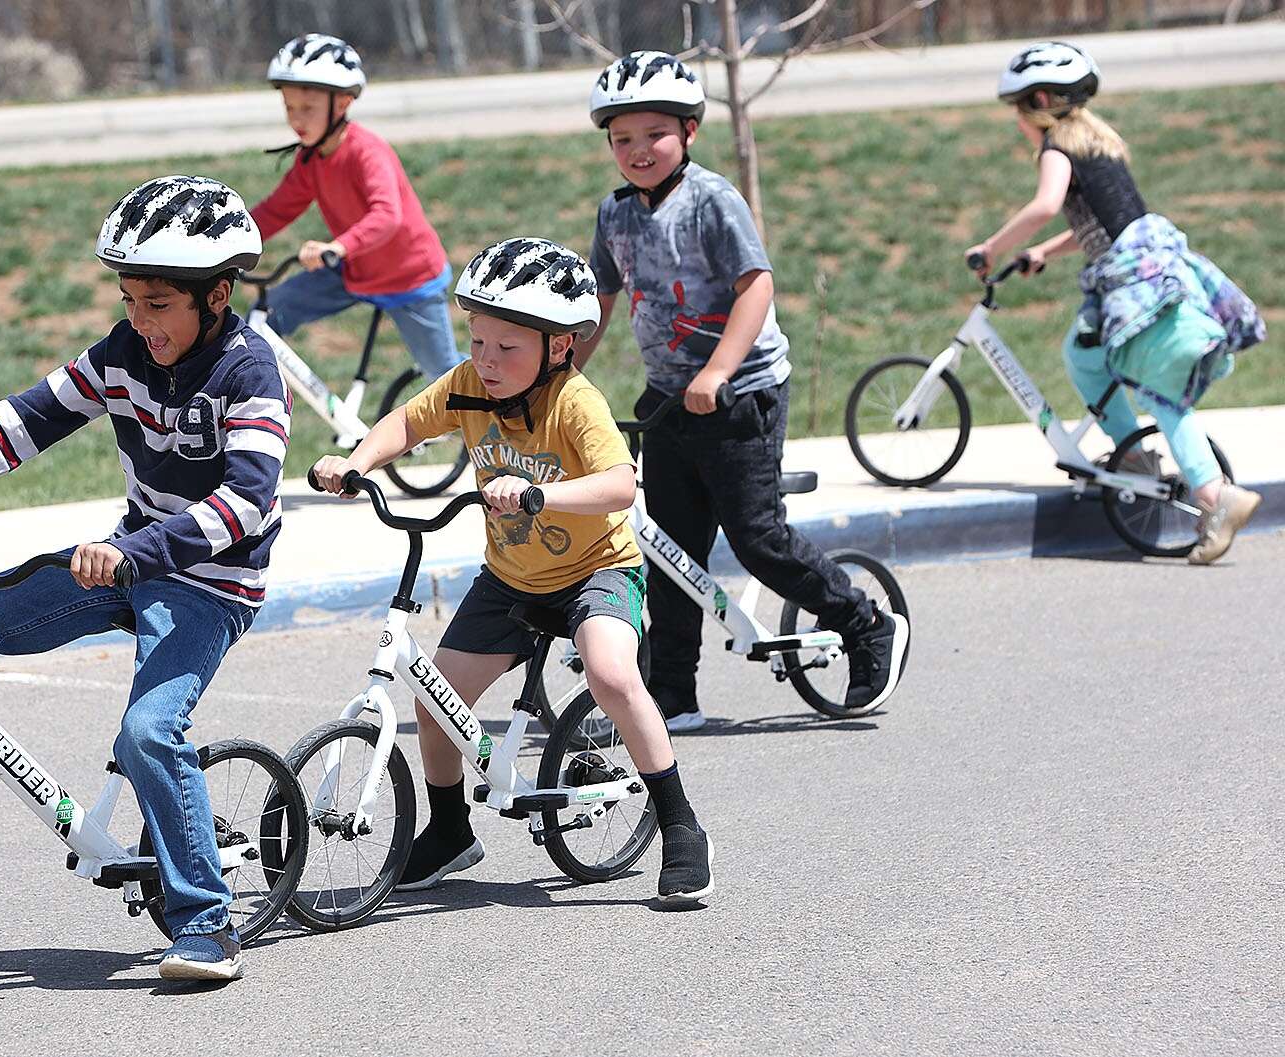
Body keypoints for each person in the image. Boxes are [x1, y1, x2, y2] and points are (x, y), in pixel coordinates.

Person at [0, 176, 291, 982]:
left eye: (159, 304)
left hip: (210, 584)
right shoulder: (121, 354)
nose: (140, 320)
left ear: (217, 296)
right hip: (128, 560)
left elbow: (246, 502)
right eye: (130, 298)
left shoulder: (249, 375)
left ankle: (207, 921)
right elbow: (22, 421)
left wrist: (139, 553)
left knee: (147, 734)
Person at [312, 238, 714, 904]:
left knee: (612, 672)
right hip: (511, 576)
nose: (488, 362)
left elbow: (620, 485)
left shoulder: (575, 404)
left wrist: (539, 494)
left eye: (508, 348)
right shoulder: (469, 387)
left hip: (597, 568)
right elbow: (408, 423)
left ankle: (680, 823)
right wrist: (357, 461)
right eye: (478, 342)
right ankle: (448, 830)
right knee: (433, 699)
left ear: (559, 347)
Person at [576, 51, 908, 730]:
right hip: (667, 397)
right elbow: (602, 299)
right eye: (622, 138)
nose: (638, 150)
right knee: (666, 550)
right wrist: (562, 375)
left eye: (654, 134)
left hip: (740, 392)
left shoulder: (712, 201)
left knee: (756, 537)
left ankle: (864, 621)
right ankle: (673, 693)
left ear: (690, 131)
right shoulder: (614, 214)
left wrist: (719, 370)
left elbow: (755, 287)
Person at [966, 41, 1266, 564]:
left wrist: (992, 247)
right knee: (1088, 356)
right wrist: (1045, 251)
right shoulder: (1097, 143)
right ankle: (1135, 459)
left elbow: (1045, 205)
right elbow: (1104, 224)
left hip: (1136, 287)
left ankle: (1209, 495)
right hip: (1150, 274)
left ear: (1040, 100)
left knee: (1157, 392)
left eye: (1018, 110)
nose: (1017, 123)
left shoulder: (1057, 145)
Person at [250, 33, 463, 382]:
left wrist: (338, 246)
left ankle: (499, 423)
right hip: (353, 270)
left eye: (308, 109)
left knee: (445, 377)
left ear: (343, 103)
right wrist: (229, 240)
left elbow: (387, 215)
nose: (296, 119)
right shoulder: (312, 159)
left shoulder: (367, 151)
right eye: (289, 107)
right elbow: (277, 210)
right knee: (265, 315)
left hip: (408, 276)